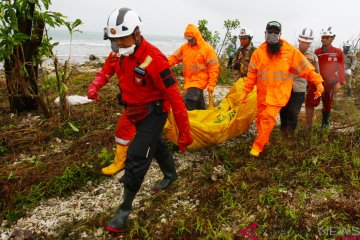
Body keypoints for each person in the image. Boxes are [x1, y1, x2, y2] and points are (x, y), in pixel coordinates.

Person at [89, 7, 193, 233]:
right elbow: (107, 70)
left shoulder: (154, 59)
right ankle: (171, 174)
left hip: (153, 113)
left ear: (137, 33)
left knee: (137, 156)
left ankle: (123, 211)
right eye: (114, 41)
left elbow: (175, 98)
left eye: (123, 39)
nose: (118, 45)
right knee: (155, 145)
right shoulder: (118, 52)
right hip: (133, 110)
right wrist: (96, 84)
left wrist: (185, 132)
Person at [239, 21, 324, 157]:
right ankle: (265, 141)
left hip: (279, 93)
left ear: (280, 34)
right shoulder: (258, 53)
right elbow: (251, 76)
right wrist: (245, 92)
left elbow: (306, 68)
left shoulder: (290, 52)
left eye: (275, 32)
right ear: (265, 33)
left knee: (268, 118)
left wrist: (318, 82)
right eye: (270, 32)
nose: (272, 35)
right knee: (260, 119)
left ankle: (258, 146)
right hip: (262, 94)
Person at [88, 37, 136, 175]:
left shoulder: (138, 54)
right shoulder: (114, 56)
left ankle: (122, 163)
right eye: (112, 41)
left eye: (117, 40)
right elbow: (105, 72)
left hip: (144, 101)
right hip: (130, 100)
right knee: (144, 133)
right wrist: (94, 85)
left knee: (124, 130)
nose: (115, 44)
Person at [168, 24, 220, 110]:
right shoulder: (184, 48)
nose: (189, 41)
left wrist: (212, 84)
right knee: (199, 107)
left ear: (196, 36)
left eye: (191, 39)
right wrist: (163, 64)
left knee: (188, 103)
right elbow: (174, 57)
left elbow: (214, 67)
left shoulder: (207, 49)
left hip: (199, 81)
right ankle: (203, 118)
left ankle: (187, 122)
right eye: (187, 39)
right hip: (189, 81)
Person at [280, 28, 319, 135]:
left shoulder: (313, 57)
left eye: (307, 42)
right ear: (299, 40)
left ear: (310, 43)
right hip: (286, 86)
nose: (304, 44)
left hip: (300, 88)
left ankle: (290, 133)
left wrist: (317, 87)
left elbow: (316, 74)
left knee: (293, 111)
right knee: (283, 109)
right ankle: (283, 129)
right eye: (303, 41)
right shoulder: (291, 52)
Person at [305, 26, 345, 129]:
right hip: (317, 82)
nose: (324, 39)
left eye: (327, 37)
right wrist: (309, 81)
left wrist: (339, 83)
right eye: (323, 37)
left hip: (330, 83)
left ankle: (325, 122)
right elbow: (311, 67)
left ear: (332, 38)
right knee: (310, 101)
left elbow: (341, 68)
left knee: (327, 102)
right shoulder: (317, 52)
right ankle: (309, 124)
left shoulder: (338, 52)